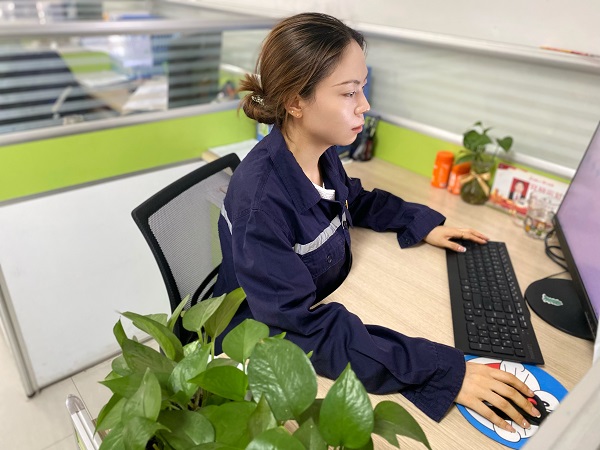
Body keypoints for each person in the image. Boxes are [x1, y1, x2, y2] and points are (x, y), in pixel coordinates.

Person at [212, 12, 540, 433]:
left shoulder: (318, 150)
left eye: (362, 87)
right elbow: (299, 329)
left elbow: (355, 198)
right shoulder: (261, 203)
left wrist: (419, 222)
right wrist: (441, 370)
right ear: (296, 101)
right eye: (349, 92)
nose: (364, 105)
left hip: (330, 298)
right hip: (260, 343)